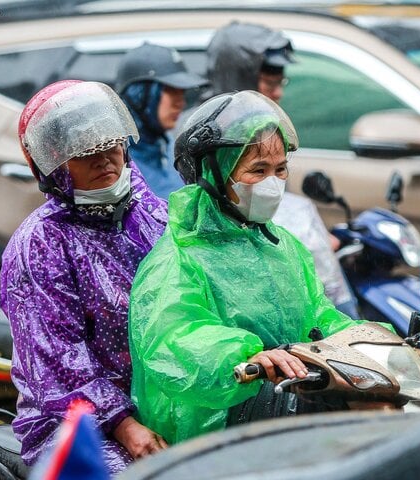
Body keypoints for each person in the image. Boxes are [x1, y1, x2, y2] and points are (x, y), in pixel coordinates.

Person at [128, 90, 363, 445]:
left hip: (290, 401)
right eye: (258, 170)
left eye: (280, 169)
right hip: (215, 429)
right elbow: (174, 340)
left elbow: (317, 314)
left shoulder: (283, 245)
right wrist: (244, 355)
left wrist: (361, 338)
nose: (273, 182)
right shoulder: (180, 257)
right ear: (214, 173)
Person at [0, 80, 169, 474]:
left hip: (162, 401)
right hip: (73, 422)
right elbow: (58, 361)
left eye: (110, 145)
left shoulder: (152, 213)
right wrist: (123, 424)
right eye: (85, 153)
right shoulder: (40, 244)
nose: (104, 160)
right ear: (54, 168)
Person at [198, 20, 358, 317]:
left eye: (279, 170)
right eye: (269, 84)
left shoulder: (269, 129)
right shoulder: (206, 139)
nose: (278, 93)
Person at [115, 42, 208, 200]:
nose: (181, 103)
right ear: (139, 94)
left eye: (182, 92)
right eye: (171, 91)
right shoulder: (115, 163)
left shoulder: (174, 148)